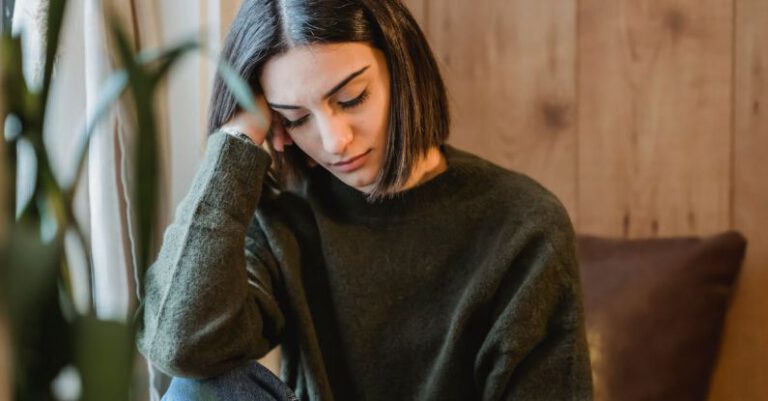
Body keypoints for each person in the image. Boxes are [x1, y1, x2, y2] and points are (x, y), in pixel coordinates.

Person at [136, 0, 594, 400]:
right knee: (196, 388)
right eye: (295, 119)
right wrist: (235, 141)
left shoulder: (524, 226)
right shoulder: (286, 214)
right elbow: (179, 343)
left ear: (401, 64)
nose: (334, 141)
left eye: (352, 98)